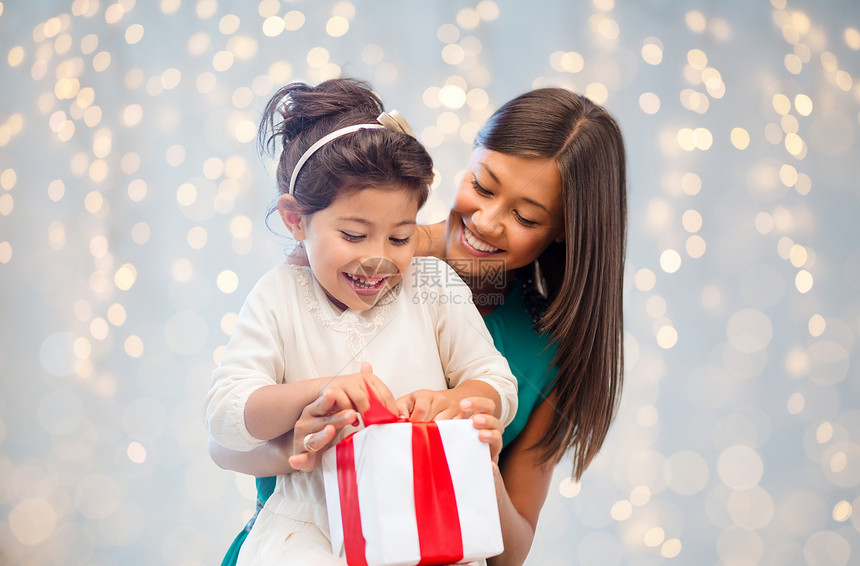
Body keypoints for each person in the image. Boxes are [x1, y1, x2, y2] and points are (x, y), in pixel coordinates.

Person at [211, 86, 627, 566]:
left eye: (526, 216)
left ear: (564, 229)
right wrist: (302, 439)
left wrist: (474, 452)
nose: (487, 221)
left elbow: (508, 554)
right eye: (483, 186)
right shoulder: (326, 266)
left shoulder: (536, 346)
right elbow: (225, 435)